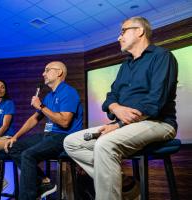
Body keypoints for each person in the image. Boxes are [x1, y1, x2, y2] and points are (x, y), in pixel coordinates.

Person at [64, 16, 178, 200]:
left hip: (159, 123)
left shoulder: (162, 57)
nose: (119, 37)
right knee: (71, 142)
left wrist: (118, 126)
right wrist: (116, 108)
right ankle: (125, 185)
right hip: (125, 124)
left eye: (123, 31)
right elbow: (111, 96)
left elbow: (154, 103)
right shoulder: (126, 65)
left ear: (140, 31)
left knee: (104, 144)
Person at [4, 61, 83, 200]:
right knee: (14, 147)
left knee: (28, 155)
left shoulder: (68, 92)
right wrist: (15, 136)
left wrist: (41, 106)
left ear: (59, 72)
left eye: (47, 70)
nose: (43, 73)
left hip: (63, 137)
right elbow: (34, 119)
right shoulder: (49, 96)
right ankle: (43, 182)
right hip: (49, 136)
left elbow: (65, 122)